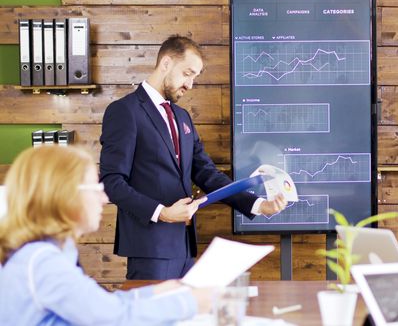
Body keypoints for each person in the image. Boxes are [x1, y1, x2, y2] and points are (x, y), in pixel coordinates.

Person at [100, 35, 287, 280]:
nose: (190, 84)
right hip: (149, 249)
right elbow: (111, 182)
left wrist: (258, 205)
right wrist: (162, 212)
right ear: (166, 63)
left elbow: (207, 174)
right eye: (187, 73)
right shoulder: (124, 111)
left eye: (195, 77)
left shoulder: (183, 117)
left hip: (185, 247)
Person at [0, 146, 212, 324]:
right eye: (95, 187)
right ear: (64, 193)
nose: (103, 198)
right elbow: (115, 319)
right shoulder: (43, 262)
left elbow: (100, 306)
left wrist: (155, 292)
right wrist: (191, 302)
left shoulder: (44, 253)